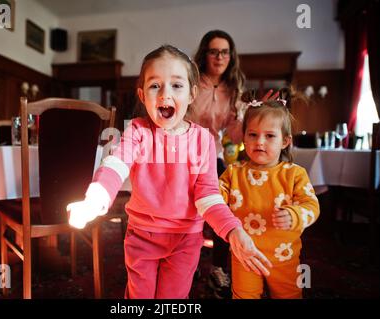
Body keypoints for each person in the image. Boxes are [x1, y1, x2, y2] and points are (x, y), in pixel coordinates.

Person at [66, 44, 272, 299]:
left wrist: (233, 230)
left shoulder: (203, 140)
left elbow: (208, 195)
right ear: (142, 95)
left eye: (176, 85)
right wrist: (95, 198)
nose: (165, 93)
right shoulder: (138, 132)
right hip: (142, 236)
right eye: (155, 85)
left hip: (186, 241)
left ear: (192, 93)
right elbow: (115, 165)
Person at [188, 30, 277, 298]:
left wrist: (256, 115)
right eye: (213, 51)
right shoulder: (190, 82)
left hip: (211, 157)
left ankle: (217, 268)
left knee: (225, 207)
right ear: (205, 54)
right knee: (184, 212)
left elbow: (236, 135)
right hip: (181, 154)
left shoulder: (234, 89)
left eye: (224, 52)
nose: (219, 57)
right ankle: (187, 264)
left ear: (231, 56)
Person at [219, 88, 320, 299]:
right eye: (253, 135)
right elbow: (214, 199)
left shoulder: (294, 174)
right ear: (244, 138)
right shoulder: (234, 172)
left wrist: (294, 214)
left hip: (284, 256)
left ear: (285, 141)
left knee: (289, 295)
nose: (260, 142)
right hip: (244, 254)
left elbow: (312, 206)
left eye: (270, 136)